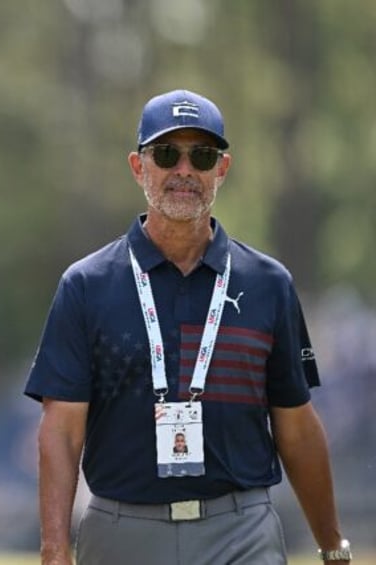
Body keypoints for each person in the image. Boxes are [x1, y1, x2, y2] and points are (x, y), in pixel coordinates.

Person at [24, 89, 352, 565]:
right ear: (139, 167)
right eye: (166, 154)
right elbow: (61, 431)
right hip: (123, 532)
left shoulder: (268, 283)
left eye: (200, 155)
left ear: (221, 168)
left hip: (242, 530)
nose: (184, 170)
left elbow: (297, 427)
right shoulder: (87, 285)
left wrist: (332, 547)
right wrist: (55, 550)